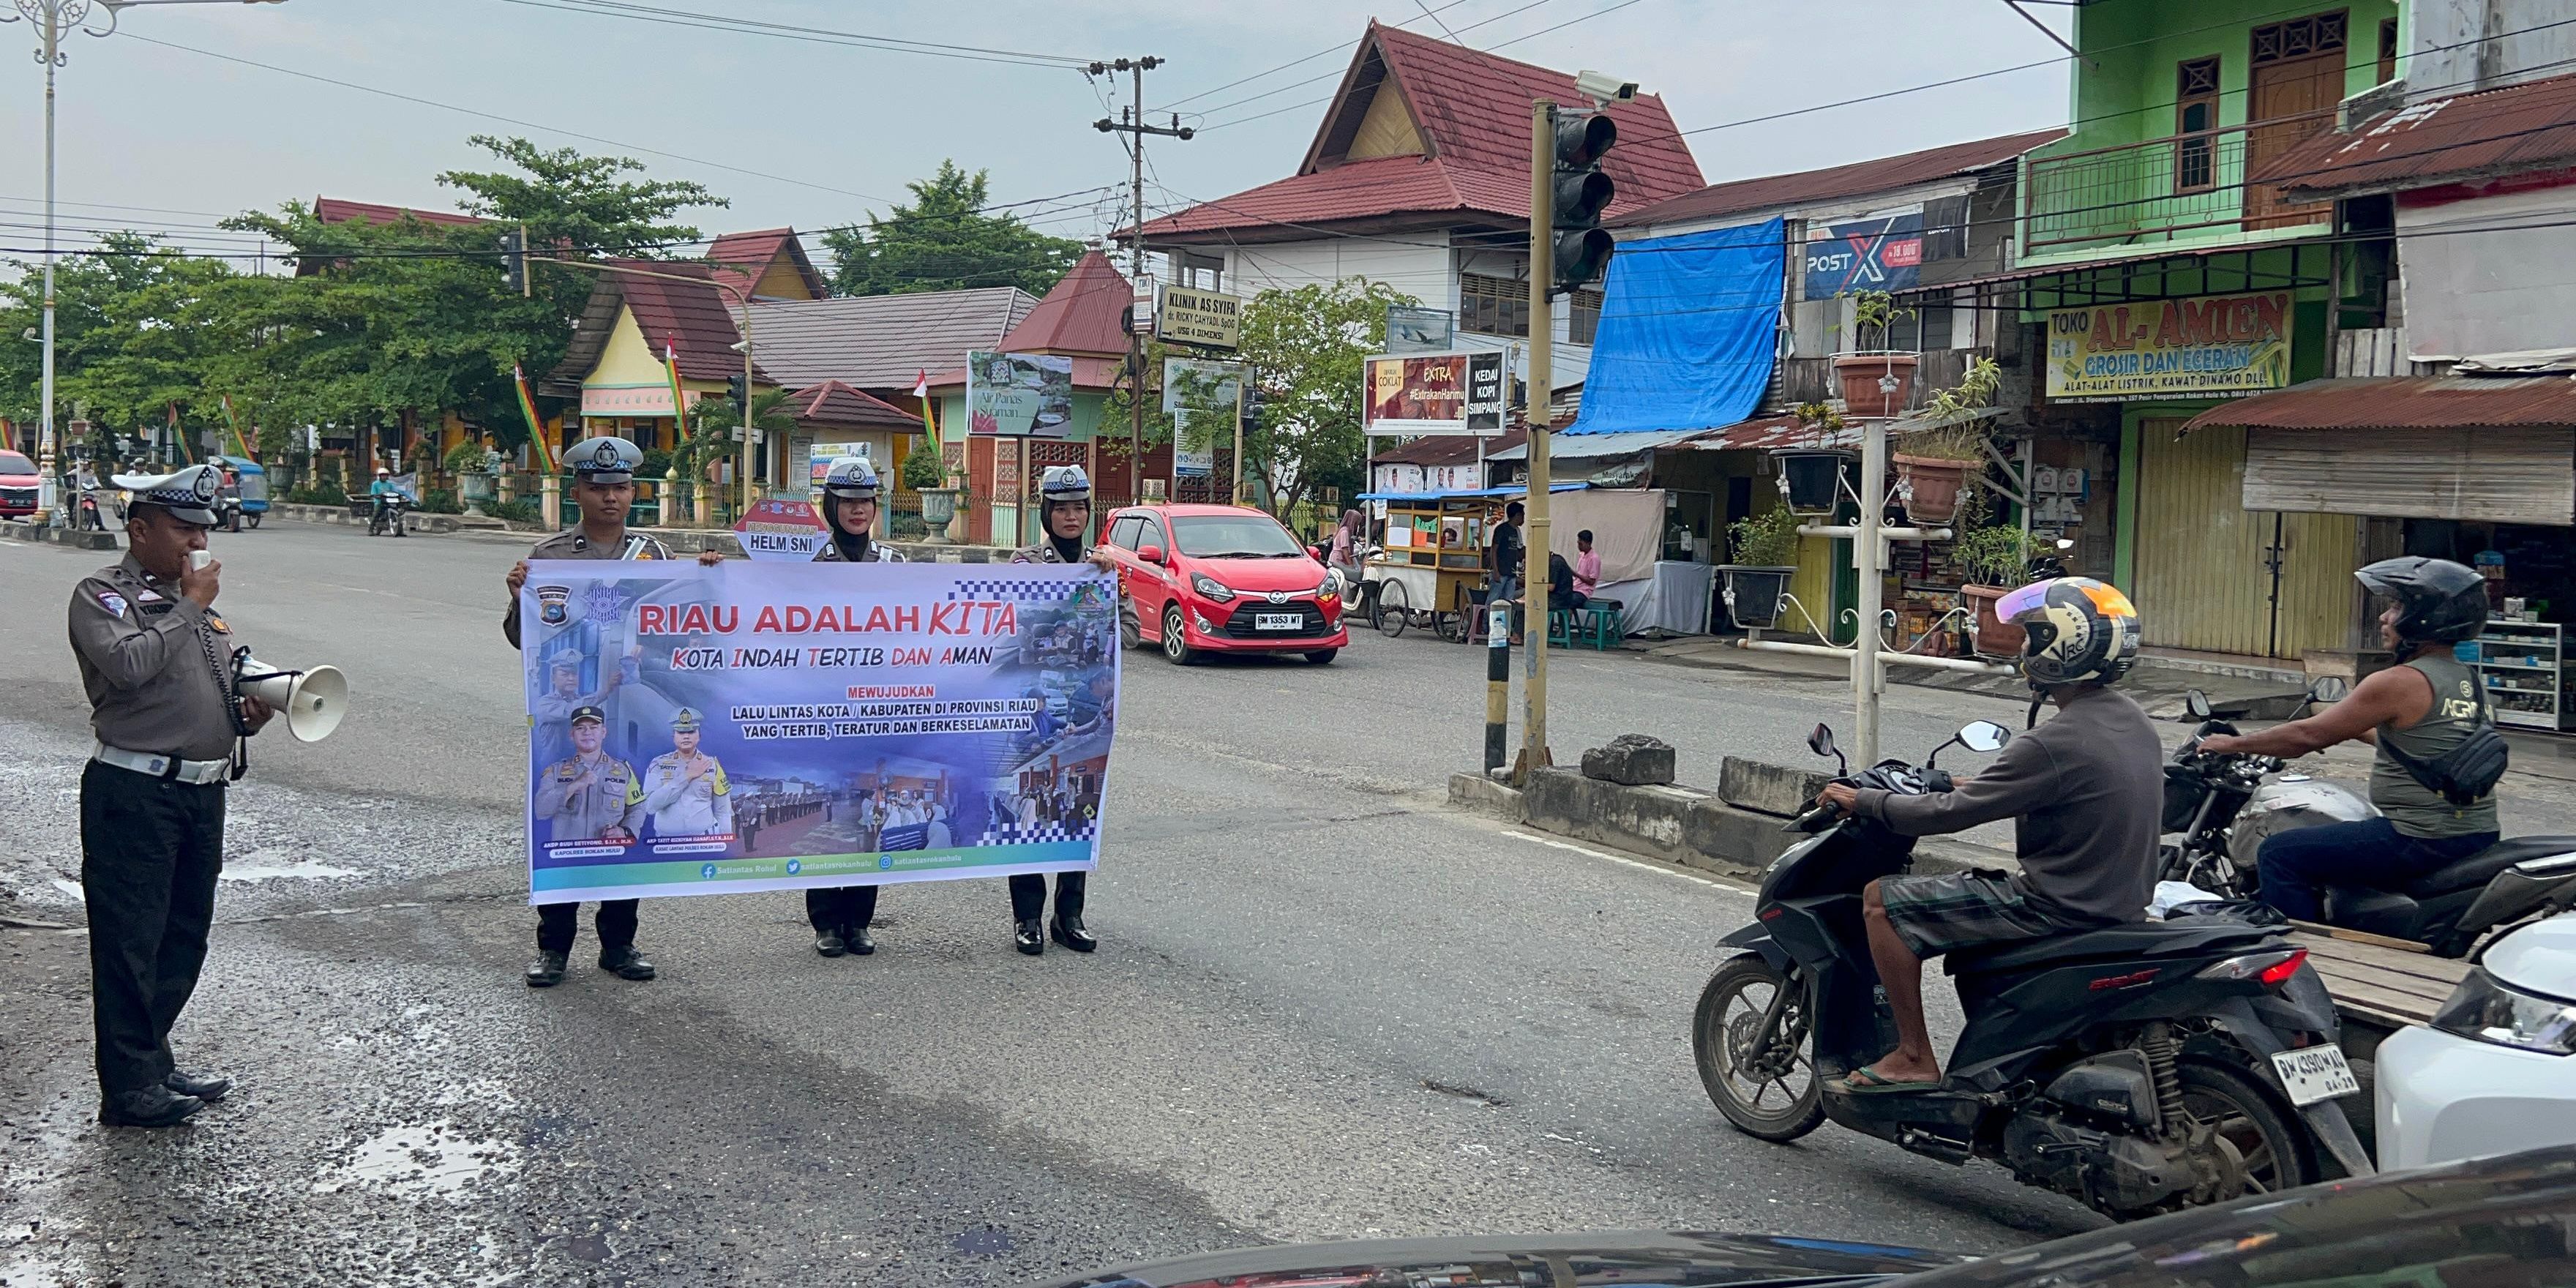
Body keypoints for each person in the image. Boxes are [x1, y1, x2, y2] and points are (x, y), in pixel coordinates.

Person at [1813, 577, 2160, 1091]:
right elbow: (2033, 787)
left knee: (1880, 902)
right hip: (2118, 903)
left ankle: (1912, 1057)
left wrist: (1862, 799)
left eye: (2032, 636)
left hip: (2057, 906)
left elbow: (1947, 816)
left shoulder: (2053, 740)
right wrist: (1959, 781)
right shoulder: (2130, 720)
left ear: (2057, 649)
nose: (2023, 646)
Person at [68, 463, 278, 1127]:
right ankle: (128, 1090)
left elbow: (202, 686)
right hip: (133, 792)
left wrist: (245, 714)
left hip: (199, 793)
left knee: (183, 936)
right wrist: (187, 605)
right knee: (130, 941)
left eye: (203, 531)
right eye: (184, 529)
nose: (198, 543)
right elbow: (129, 667)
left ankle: (152, 1059)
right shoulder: (103, 594)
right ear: (139, 529)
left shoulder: (201, 610)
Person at [503, 435, 725, 988]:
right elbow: (520, 638)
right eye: (600, 488)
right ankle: (553, 950)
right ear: (578, 490)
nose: (612, 498)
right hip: (567, 726)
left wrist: (710, 575)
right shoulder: (550, 557)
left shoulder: (652, 558)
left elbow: (686, 626)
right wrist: (517, 598)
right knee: (564, 828)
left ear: (633, 493)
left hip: (625, 726)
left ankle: (619, 946)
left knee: (623, 824)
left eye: (622, 488)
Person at [2199, 557, 2501, 922]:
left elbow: (2305, 736)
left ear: (2425, 616)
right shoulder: (2467, 678)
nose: (2384, 618)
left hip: (2420, 838)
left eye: (2396, 607)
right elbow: (2430, 747)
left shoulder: (2397, 681)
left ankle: (2309, 956)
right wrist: (2355, 728)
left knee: (2279, 852)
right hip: (2476, 831)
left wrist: (2231, 744)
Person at [1007, 465, 1119, 956]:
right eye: (1062, 508)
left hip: (1089, 717)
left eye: (1079, 508)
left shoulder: (1104, 566)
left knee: (1079, 812)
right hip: (1035, 714)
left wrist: (1114, 588)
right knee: (1031, 815)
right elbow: (1011, 631)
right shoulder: (1024, 564)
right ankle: (1027, 917)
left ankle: (1068, 916)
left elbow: (1130, 633)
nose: (1072, 517)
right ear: (1046, 514)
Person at [803, 456, 906, 958]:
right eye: (848, 501)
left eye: (866, 500)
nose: (859, 510)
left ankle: (860, 920)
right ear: (832, 506)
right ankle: (825, 921)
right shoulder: (806, 565)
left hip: (877, 713)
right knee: (835, 814)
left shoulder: (896, 567)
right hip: (824, 713)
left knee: (870, 819)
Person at [535, 706, 642, 843]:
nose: (587, 732)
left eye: (593, 727)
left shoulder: (624, 770)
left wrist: (625, 831)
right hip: (568, 857)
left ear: (603, 732)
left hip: (610, 856)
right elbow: (541, 810)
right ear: (572, 734)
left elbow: (638, 807)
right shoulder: (554, 771)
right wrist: (573, 786)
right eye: (580, 728)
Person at [643, 707, 733, 839]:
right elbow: (650, 806)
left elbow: (723, 811)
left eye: (691, 731)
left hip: (704, 840)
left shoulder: (712, 765)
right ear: (673, 736)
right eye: (680, 732)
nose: (686, 736)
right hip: (666, 843)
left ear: (699, 736)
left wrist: (726, 842)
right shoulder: (658, 764)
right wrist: (687, 776)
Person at [1489, 500, 1526, 641]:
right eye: (1522, 514)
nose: (1523, 517)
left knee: (1508, 603)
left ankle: (1504, 631)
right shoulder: (1502, 529)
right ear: (1517, 515)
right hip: (1501, 572)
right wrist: (1496, 571)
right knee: (1493, 601)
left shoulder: (1517, 531)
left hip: (1511, 573)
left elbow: (1519, 551)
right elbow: (1494, 550)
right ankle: (1488, 628)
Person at [1573, 530, 1601, 599]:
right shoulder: (1581, 555)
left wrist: (1575, 574)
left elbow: (1592, 581)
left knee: (1566, 601)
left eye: (1581, 544)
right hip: (1575, 588)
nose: (1579, 546)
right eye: (1578, 544)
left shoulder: (1594, 558)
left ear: (1588, 543)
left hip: (1584, 592)